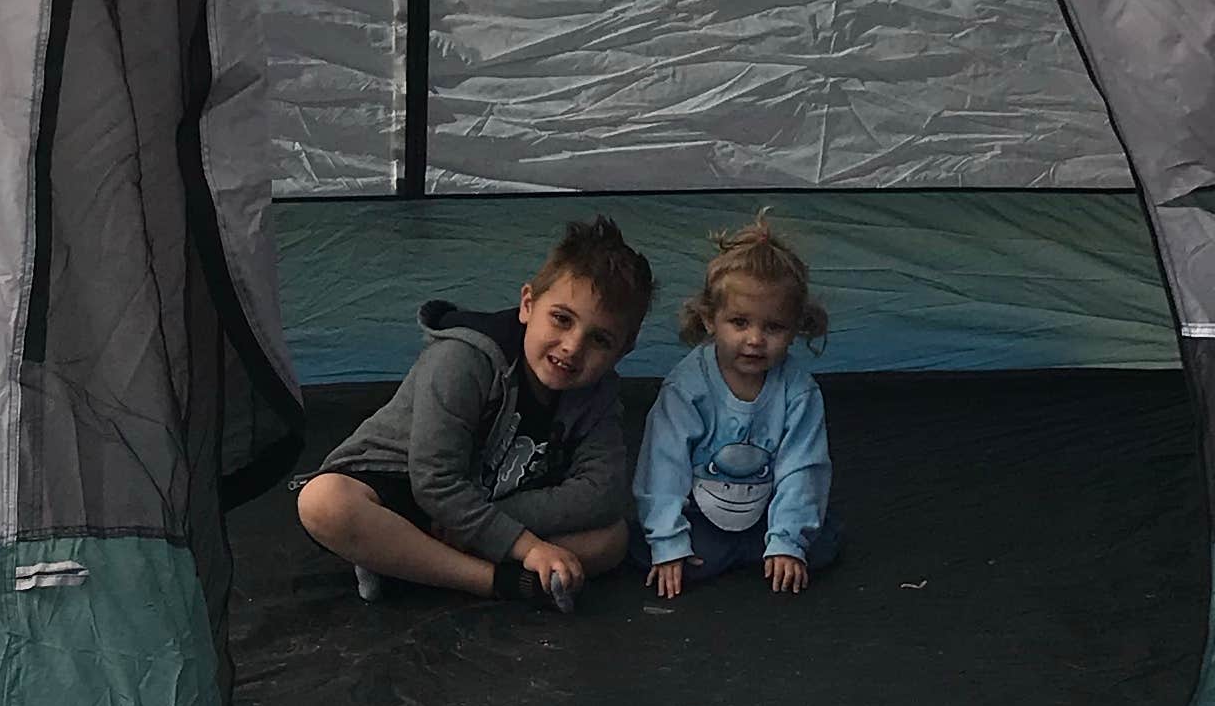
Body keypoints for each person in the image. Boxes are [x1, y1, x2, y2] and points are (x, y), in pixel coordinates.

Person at [295, 215, 652, 612]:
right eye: (561, 319)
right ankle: (497, 581)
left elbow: (601, 492)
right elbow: (433, 481)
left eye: (599, 339)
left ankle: (408, 564)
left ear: (623, 350)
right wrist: (525, 546)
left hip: (485, 509)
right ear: (528, 305)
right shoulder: (463, 359)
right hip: (407, 496)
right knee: (324, 502)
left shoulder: (598, 395)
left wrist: (487, 524)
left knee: (611, 540)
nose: (572, 346)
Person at [636, 212, 839, 602]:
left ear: (796, 328)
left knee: (822, 543)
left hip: (766, 511)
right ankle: (732, 551)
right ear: (710, 319)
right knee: (664, 553)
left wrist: (787, 540)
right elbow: (663, 465)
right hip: (700, 513)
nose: (755, 339)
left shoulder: (799, 391)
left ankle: (771, 548)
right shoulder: (686, 386)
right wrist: (668, 541)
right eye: (740, 322)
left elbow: (803, 468)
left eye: (773, 327)